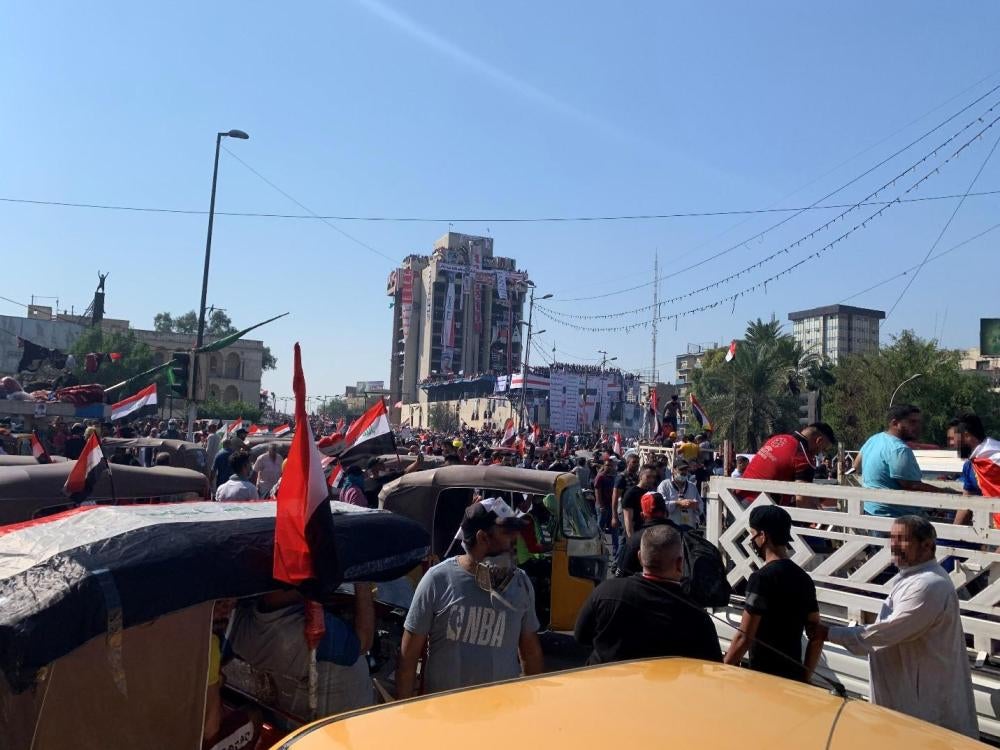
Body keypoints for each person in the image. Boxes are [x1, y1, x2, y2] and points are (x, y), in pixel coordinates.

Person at [820, 516, 978, 738]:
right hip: (907, 697)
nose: (893, 545)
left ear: (927, 546)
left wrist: (829, 633)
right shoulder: (911, 578)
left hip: (925, 705)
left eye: (903, 539)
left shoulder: (929, 584)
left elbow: (887, 632)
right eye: (892, 538)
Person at [397, 498, 544, 698]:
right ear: (483, 538)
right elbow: (408, 657)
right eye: (507, 533)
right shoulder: (437, 580)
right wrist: (403, 715)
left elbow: (530, 653)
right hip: (447, 718)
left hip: (501, 714)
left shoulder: (521, 584)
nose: (515, 540)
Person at [575, 524, 722, 665]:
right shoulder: (697, 617)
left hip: (606, 684)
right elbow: (712, 666)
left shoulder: (605, 591)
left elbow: (581, 636)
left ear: (640, 557)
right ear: (679, 564)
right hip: (666, 689)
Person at [228, 587, 374, 719]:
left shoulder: (240, 630)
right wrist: (363, 585)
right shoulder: (306, 634)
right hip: (351, 723)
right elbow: (364, 642)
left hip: (296, 718)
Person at [724, 506, 822, 682]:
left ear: (763, 536)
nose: (752, 540)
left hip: (765, 680)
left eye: (753, 534)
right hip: (794, 678)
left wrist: (724, 669)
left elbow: (744, 637)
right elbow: (816, 635)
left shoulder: (761, 579)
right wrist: (805, 677)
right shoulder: (804, 579)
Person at [859, 405, 957, 518]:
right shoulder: (899, 449)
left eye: (919, 422)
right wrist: (943, 492)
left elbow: (856, 464)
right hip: (893, 515)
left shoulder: (874, 439)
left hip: (870, 509)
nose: (918, 427)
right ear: (895, 423)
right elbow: (911, 485)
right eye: (912, 422)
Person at [735, 423, 836, 507]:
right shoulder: (803, 458)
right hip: (758, 511)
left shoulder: (778, 438)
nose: (820, 453)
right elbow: (802, 501)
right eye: (823, 449)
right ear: (819, 441)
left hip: (736, 500)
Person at [947, 412, 999, 526]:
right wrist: (954, 534)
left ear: (966, 436)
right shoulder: (970, 465)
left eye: (952, 438)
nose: (951, 443)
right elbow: (966, 502)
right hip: (992, 528)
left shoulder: (996, 458)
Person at [655, 458, 703, 529]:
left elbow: (701, 505)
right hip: (670, 527)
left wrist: (695, 505)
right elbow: (660, 505)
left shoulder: (692, 486)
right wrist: (677, 503)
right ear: (674, 470)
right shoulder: (664, 485)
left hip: (689, 526)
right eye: (681, 469)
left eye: (686, 470)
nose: (684, 472)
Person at [620, 466, 658, 538]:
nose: (651, 480)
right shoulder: (631, 493)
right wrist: (632, 539)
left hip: (647, 532)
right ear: (640, 476)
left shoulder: (651, 492)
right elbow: (628, 519)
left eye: (653, 477)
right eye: (648, 477)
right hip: (635, 533)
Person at [594, 457, 619, 555]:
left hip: (611, 506)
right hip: (602, 506)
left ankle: (615, 550)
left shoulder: (613, 477)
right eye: (607, 465)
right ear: (604, 466)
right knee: (600, 528)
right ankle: (596, 548)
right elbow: (597, 491)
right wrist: (601, 505)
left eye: (611, 465)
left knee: (614, 528)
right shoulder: (600, 477)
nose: (609, 467)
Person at [612, 453, 640, 534]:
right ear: (628, 463)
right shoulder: (622, 477)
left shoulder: (636, 477)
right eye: (634, 462)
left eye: (638, 462)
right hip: (624, 511)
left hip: (634, 511)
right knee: (625, 537)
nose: (637, 464)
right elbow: (615, 497)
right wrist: (614, 516)